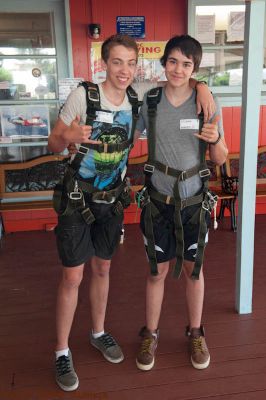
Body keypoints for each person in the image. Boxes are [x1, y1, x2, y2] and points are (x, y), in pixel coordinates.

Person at [48, 33, 215, 392]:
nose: (124, 70)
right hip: (78, 197)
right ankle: (61, 351)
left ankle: (98, 332)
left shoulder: (138, 96)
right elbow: (54, 140)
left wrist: (202, 86)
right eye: (117, 62)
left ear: (138, 67)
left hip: (112, 200)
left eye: (131, 62)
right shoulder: (84, 95)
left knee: (104, 268)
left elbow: (182, 75)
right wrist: (69, 135)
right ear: (104, 63)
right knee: (73, 278)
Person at [134, 35, 228, 372]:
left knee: (193, 269)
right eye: (172, 61)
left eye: (186, 64)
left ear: (195, 68)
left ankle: (196, 332)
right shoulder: (151, 100)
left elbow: (220, 156)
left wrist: (215, 138)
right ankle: (151, 333)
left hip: (193, 201)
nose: (178, 68)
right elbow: (128, 133)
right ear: (164, 63)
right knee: (156, 271)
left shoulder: (206, 101)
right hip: (158, 199)